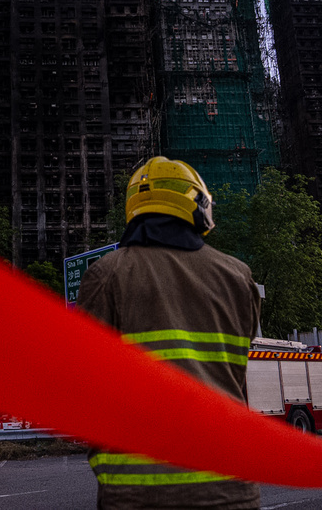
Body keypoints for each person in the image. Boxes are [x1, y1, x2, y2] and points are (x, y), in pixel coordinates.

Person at [77, 156, 261, 509]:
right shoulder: (238, 276)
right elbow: (236, 369)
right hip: (229, 485)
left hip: (137, 493)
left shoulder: (106, 275)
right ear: (198, 204)